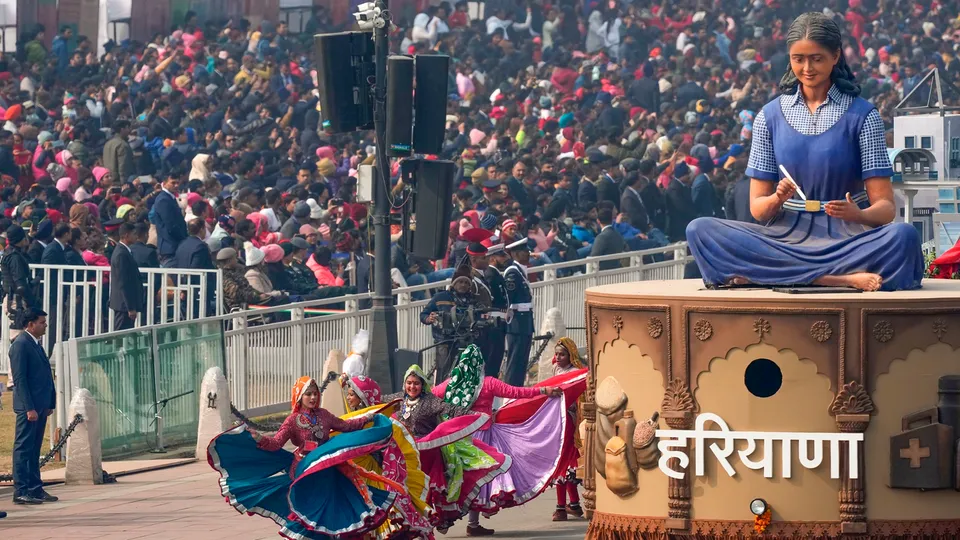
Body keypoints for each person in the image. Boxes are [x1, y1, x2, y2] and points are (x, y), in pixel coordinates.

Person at [685, 13, 923, 292]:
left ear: (835, 56)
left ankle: (777, 275)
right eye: (798, 59)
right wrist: (777, 198)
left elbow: (885, 209)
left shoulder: (864, 116)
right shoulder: (768, 117)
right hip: (784, 236)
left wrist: (858, 215)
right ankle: (830, 279)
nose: (807, 68)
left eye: (816, 58)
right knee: (699, 230)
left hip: (847, 238)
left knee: (903, 236)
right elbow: (759, 210)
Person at [208, 375, 408, 539]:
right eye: (308, 394)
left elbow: (347, 426)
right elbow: (276, 443)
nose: (313, 398)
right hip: (305, 470)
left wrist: (369, 417)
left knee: (334, 507)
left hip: (328, 469)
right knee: (310, 510)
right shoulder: (292, 420)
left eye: (315, 394)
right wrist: (259, 438)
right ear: (299, 397)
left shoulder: (325, 415)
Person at [432, 345, 576, 536]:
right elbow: (517, 392)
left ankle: (451, 519)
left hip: (458, 438)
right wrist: (544, 390)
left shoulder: (452, 383)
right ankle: (472, 524)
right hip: (483, 438)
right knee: (479, 479)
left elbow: (430, 396)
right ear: (480, 364)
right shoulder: (488, 383)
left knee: (458, 477)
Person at [384, 365, 508, 533]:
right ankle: (411, 527)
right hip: (407, 453)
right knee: (405, 489)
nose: (412, 387)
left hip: (428, 453)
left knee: (426, 491)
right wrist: (354, 387)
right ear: (404, 384)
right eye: (409, 383)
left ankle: (424, 529)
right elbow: (377, 401)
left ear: (423, 385)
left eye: (416, 383)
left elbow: (451, 409)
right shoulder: (398, 400)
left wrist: (475, 415)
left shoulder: (430, 401)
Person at [11, 308, 58, 505]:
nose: (45, 325)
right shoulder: (21, 345)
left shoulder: (35, 344)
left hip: (40, 405)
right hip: (28, 407)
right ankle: (21, 489)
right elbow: (20, 379)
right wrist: (29, 407)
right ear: (30, 324)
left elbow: (46, 375)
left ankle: (35, 487)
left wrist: (50, 402)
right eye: (42, 322)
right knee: (23, 448)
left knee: (34, 448)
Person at [549, 337, 587, 521]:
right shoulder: (557, 369)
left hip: (569, 421)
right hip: (557, 419)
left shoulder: (576, 373)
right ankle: (574, 505)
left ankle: (561, 509)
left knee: (562, 462)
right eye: (556, 354)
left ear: (571, 355)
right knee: (566, 463)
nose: (558, 357)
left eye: (562, 354)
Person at [498, 238, 534, 387]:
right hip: (517, 321)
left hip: (524, 320)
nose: (528, 253)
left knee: (522, 360)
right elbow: (508, 299)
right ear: (516, 254)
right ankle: (511, 391)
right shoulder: (512, 273)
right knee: (515, 360)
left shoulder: (520, 271)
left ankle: (517, 389)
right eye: (524, 251)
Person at [109, 223, 144, 330]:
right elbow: (123, 282)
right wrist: (130, 307)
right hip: (123, 305)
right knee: (120, 335)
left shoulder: (125, 251)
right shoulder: (121, 254)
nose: (136, 236)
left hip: (125, 304)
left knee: (126, 334)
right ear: (126, 235)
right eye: (133, 234)